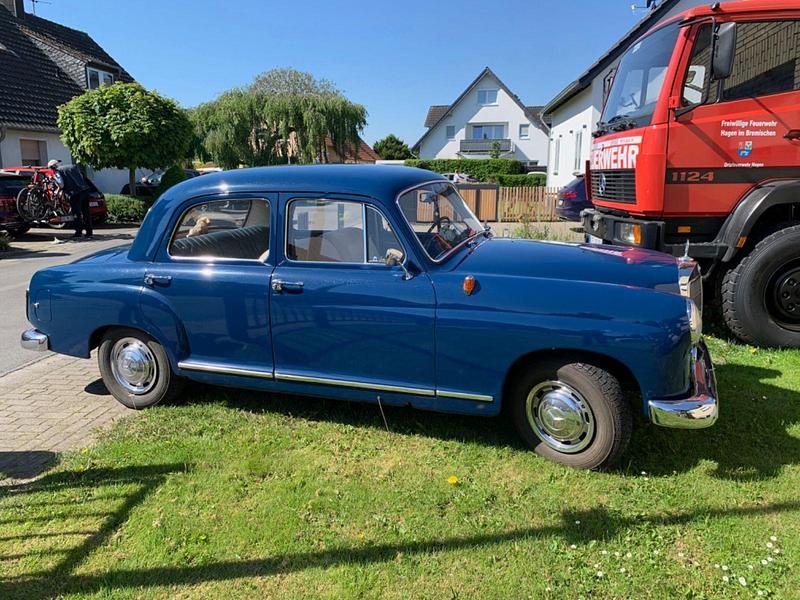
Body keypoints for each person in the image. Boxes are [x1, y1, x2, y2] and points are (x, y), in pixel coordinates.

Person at [48, 159, 93, 239]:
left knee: (76, 213)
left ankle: (78, 232)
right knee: (86, 212)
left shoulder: (58, 172)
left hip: (74, 193)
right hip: (85, 190)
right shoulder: (72, 167)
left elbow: (61, 185)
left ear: (52, 167)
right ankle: (89, 233)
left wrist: (57, 187)